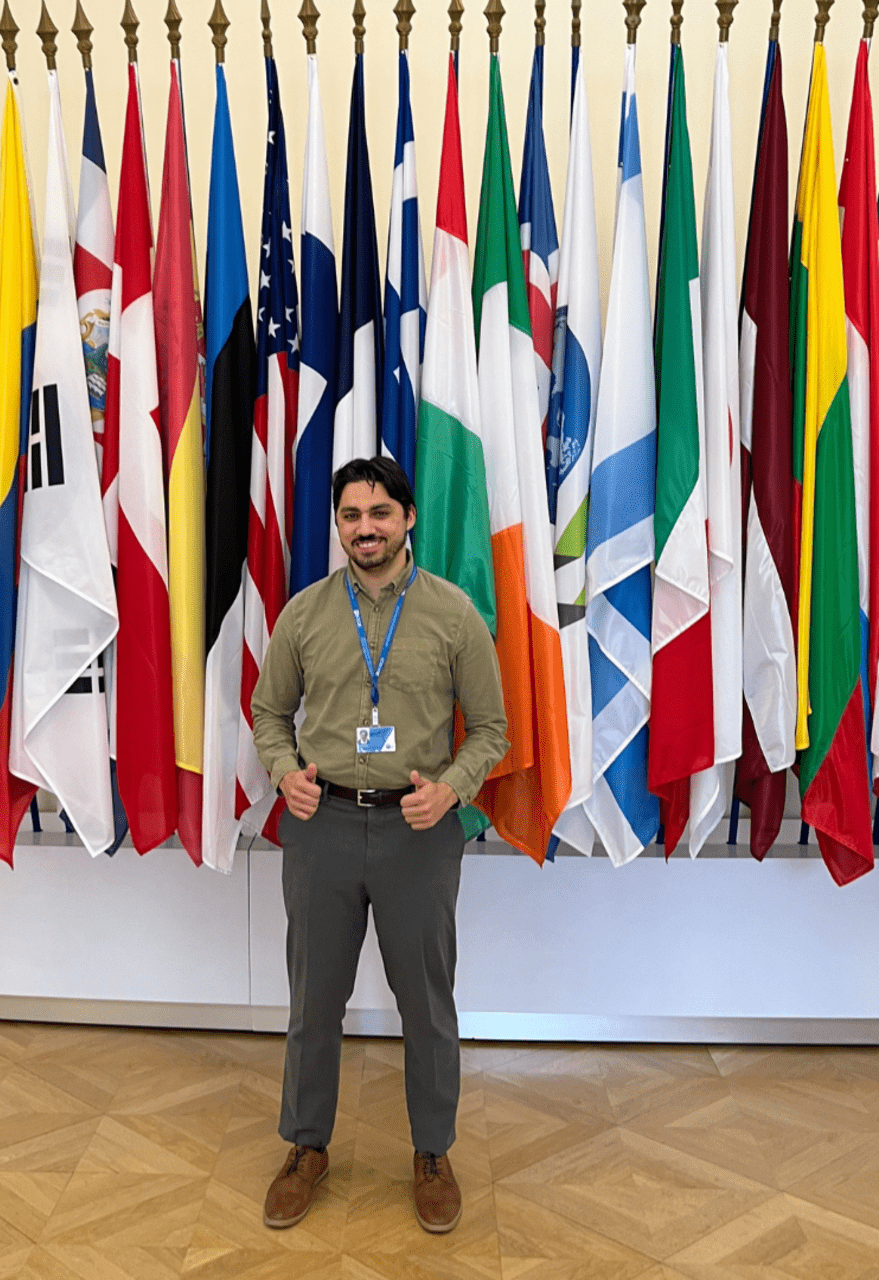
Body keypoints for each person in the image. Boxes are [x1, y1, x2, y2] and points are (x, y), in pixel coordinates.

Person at [251, 456, 509, 1234]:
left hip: (418, 831)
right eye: (351, 515)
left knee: (427, 1004)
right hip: (321, 828)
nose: (365, 528)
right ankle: (306, 1148)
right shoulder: (302, 615)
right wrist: (284, 771)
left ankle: (432, 1153)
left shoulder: (453, 614)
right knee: (313, 1001)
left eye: (380, 513)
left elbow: (492, 730)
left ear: (408, 520)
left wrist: (453, 787)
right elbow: (269, 714)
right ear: (338, 524)